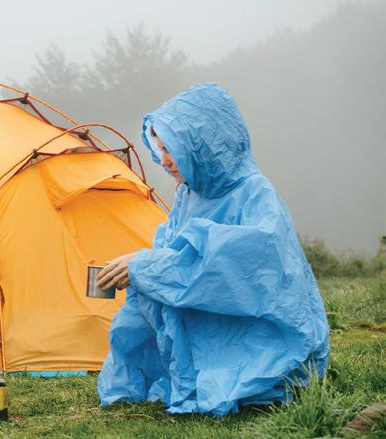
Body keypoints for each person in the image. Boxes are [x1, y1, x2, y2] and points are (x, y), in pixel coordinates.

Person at [96, 84, 330, 416]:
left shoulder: (253, 192)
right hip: (208, 321)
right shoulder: (189, 193)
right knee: (146, 288)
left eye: (171, 150)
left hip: (259, 326)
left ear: (200, 146)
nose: (163, 161)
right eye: (159, 149)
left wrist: (146, 266)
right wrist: (139, 269)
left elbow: (244, 266)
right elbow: (172, 252)